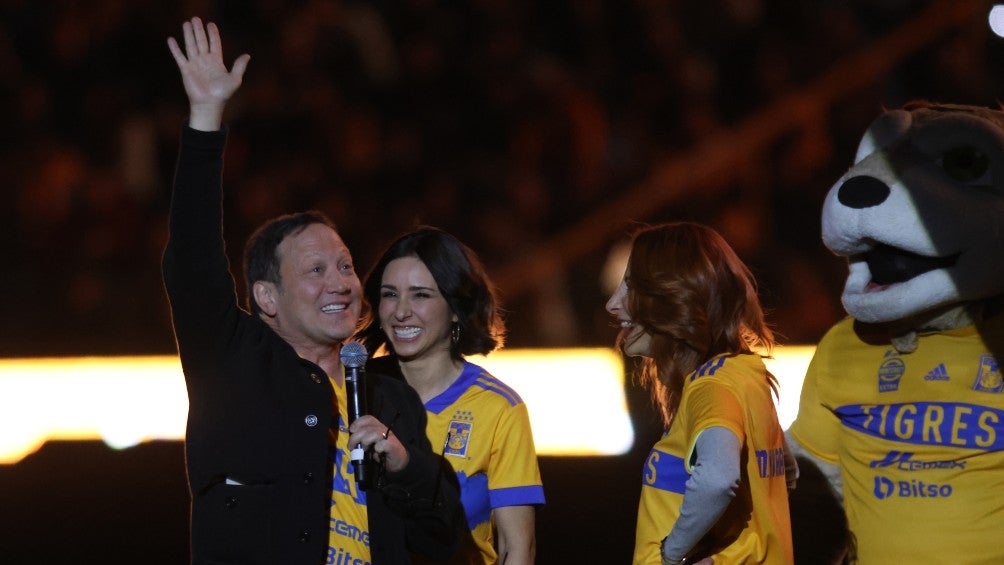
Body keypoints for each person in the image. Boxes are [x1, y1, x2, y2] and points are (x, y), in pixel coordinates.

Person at [162, 17, 464, 564]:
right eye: (316, 270)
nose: (342, 283)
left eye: (346, 266)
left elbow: (444, 538)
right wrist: (205, 120)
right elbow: (192, 259)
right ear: (267, 298)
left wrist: (405, 464)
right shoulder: (233, 365)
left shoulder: (389, 398)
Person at [605, 222, 794, 565]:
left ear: (676, 295)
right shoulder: (745, 371)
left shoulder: (711, 386)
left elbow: (718, 478)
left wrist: (671, 553)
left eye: (630, 286)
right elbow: (786, 469)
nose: (611, 305)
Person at [355, 227, 545, 564]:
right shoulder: (354, 390)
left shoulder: (499, 408)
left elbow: (517, 549)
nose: (401, 311)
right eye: (389, 294)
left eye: (421, 295)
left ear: (457, 307)